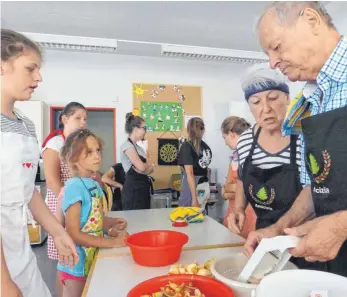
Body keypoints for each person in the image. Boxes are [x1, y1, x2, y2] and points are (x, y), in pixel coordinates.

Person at [245, 1, 347, 277]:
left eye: (276, 47)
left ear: (312, 20)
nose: (272, 62)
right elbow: (317, 186)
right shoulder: (309, 100)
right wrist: (277, 230)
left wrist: (339, 226)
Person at [1, 29, 78, 297]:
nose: (39, 77)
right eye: (30, 68)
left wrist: (57, 231)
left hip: (18, 247)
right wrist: (3, 282)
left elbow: (28, 191)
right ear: (2, 67)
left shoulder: (26, 125)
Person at [227, 64, 324, 270]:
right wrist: (238, 208)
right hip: (263, 238)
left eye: (273, 98)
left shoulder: (305, 138)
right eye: (256, 102)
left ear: (287, 98)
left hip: (304, 240)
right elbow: (244, 179)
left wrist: (279, 229)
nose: (266, 109)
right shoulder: (245, 141)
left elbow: (313, 192)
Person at [57, 129, 128, 297]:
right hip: (76, 265)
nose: (97, 156)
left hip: (91, 257)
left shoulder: (93, 183)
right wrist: (112, 243)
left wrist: (110, 224)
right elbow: (73, 233)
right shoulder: (74, 186)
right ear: (74, 158)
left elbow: (93, 219)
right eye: (89, 152)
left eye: (97, 150)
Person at [42, 101, 87, 297]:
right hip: (61, 204)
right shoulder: (55, 144)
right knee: (64, 260)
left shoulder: (75, 144)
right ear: (64, 119)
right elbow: (53, 182)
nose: (82, 122)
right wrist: (71, 203)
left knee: (77, 255)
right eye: (78, 118)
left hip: (76, 203)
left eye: (85, 119)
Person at [221, 116, 256, 238]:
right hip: (233, 213)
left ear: (231, 134)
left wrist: (234, 189)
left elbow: (253, 188)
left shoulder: (254, 154)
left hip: (250, 215)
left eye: (224, 138)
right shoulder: (235, 157)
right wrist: (236, 189)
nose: (225, 142)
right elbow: (226, 189)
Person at [121, 113, 154, 210]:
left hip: (143, 189)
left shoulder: (140, 149)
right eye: (144, 128)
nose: (145, 131)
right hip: (133, 191)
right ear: (136, 129)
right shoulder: (127, 146)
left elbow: (149, 169)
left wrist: (148, 167)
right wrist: (146, 167)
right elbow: (142, 167)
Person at [178, 117, 212, 207]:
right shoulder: (206, 148)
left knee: (185, 214)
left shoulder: (187, 146)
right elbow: (206, 169)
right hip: (204, 184)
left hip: (192, 186)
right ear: (203, 130)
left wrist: (194, 198)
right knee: (199, 214)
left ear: (188, 130)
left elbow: (190, 173)